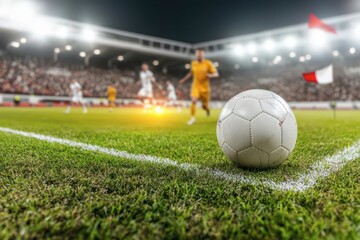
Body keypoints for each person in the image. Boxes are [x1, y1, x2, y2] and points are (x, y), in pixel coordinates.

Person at [179, 48, 219, 125]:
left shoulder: (208, 63)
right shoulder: (193, 63)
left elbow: (216, 74)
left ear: (203, 55)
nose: (199, 55)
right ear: (196, 55)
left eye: (200, 54)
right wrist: (183, 80)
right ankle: (192, 118)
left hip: (205, 88)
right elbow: (191, 73)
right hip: (196, 86)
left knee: (204, 107)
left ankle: (207, 109)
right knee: (193, 100)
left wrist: (210, 75)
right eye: (197, 54)